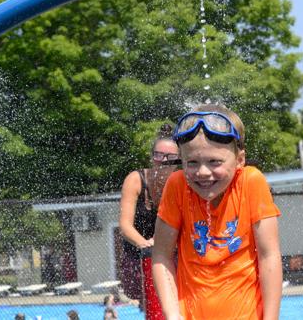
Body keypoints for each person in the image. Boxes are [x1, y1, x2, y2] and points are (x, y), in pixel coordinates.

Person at [152, 104, 282, 320]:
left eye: (215, 162)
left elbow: (269, 256)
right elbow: (161, 255)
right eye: (192, 162)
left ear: (239, 160)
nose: (203, 172)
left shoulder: (251, 182)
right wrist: (173, 315)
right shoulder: (177, 185)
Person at [119, 123, 179, 305]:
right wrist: (145, 245)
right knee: (151, 302)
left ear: (179, 158)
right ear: (152, 157)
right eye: (158, 155)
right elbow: (125, 225)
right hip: (138, 256)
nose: (163, 160)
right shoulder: (136, 179)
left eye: (170, 156)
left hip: (170, 253)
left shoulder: (184, 181)